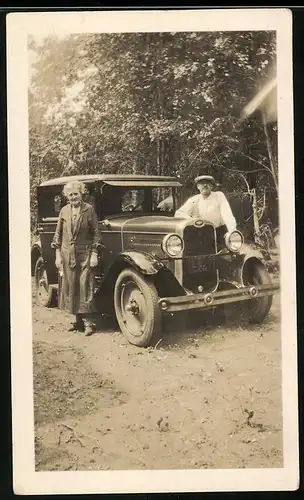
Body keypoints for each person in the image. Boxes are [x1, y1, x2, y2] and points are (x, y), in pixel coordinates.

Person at [51, 180, 102, 336]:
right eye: (70, 194)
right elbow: (57, 235)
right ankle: (77, 321)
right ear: (67, 196)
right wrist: (58, 256)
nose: (73, 197)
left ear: (82, 194)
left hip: (85, 254)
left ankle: (88, 323)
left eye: (76, 194)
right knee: (71, 286)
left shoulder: (89, 210)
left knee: (85, 286)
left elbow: (97, 234)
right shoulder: (64, 211)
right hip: (67, 255)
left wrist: (94, 254)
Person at [175, 175, 237, 240]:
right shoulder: (193, 200)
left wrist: (232, 230)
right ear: (198, 186)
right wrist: (192, 220)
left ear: (212, 186)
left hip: (219, 232)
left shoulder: (219, 196)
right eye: (201, 183)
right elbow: (179, 213)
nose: (205, 185)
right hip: (199, 233)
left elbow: (227, 214)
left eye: (207, 182)